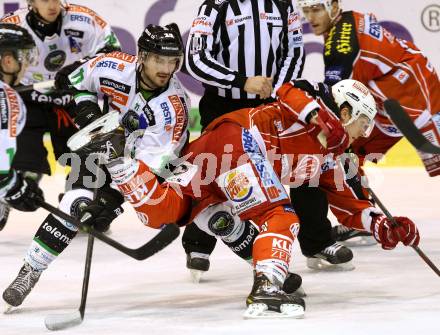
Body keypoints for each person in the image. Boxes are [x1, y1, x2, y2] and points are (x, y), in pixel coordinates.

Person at [76, 79, 420, 318]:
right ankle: (267, 286)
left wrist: (381, 226)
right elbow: (288, 90)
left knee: (165, 211)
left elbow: (348, 206)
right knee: (281, 215)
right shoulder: (313, 108)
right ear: (345, 112)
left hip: (214, 152)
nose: (363, 134)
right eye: (363, 124)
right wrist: (320, 118)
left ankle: (117, 160)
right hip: (239, 144)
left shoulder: (331, 157)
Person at [2, 23, 189, 310]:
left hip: (143, 169)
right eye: (158, 59)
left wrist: (111, 199)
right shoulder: (113, 66)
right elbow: (72, 79)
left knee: (95, 210)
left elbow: (153, 167)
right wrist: (88, 113)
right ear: (142, 56)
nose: (165, 68)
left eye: (172, 61)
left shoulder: (173, 108)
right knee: (75, 204)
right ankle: (30, 271)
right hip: (102, 146)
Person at [184, 0, 349, 280]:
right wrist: (241, 81)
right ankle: (198, 244)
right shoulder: (214, 6)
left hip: (271, 104)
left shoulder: (284, 6)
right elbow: (195, 60)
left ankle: (317, 241)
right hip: (224, 105)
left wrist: (275, 94)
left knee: (305, 165)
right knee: (214, 172)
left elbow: (294, 53)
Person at [297, 0, 440, 243]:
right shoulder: (348, 18)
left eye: (316, 9)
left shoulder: (340, 47)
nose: (310, 17)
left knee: (435, 155)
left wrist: (306, 107)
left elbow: (335, 93)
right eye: (306, 10)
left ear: (333, 6)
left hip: (413, 97)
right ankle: (365, 217)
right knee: (350, 155)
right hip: (390, 103)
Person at [0, 0, 121, 230]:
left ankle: (77, 202)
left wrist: (80, 68)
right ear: (30, 2)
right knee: (24, 165)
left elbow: (113, 53)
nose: (52, 4)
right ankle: (3, 195)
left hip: (70, 98)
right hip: (26, 100)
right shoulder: (12, 26)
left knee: (87, 156)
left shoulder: (83, 20)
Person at [0, 23, 44, 230]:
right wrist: (15, 188)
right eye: (24, 57)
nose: (27, 65)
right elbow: (1, 168)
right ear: (8, 61)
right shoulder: (6, 97)